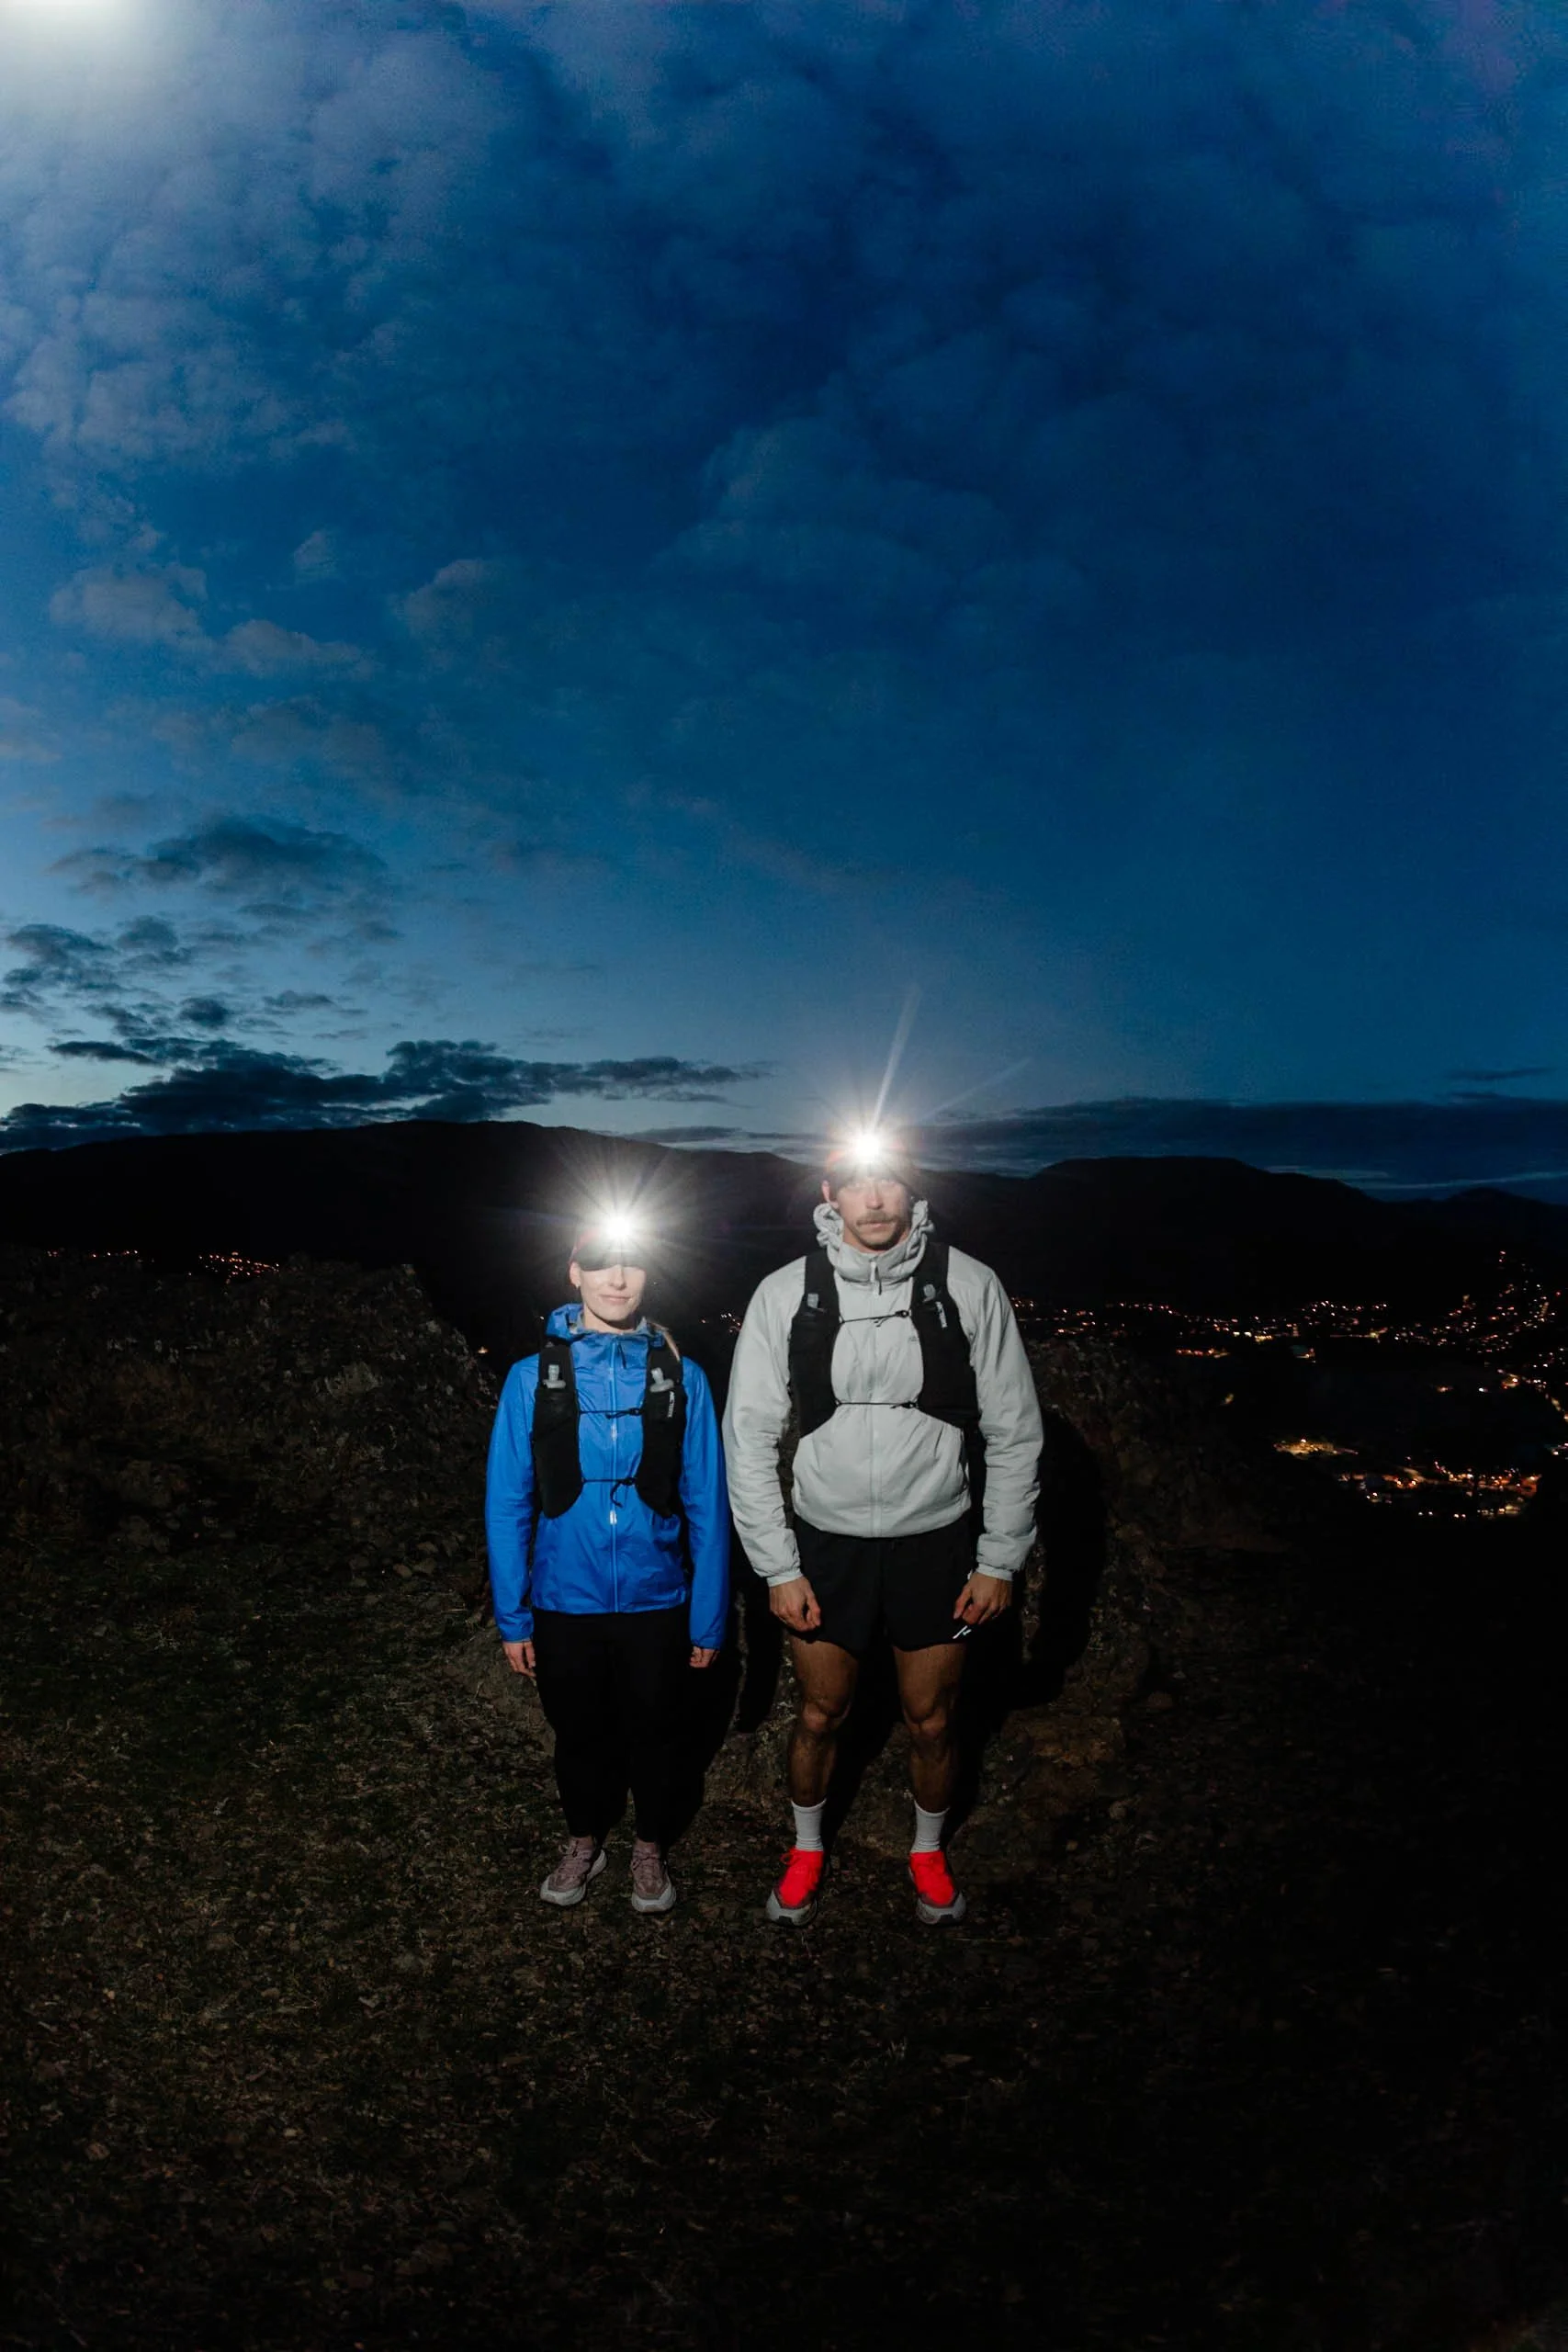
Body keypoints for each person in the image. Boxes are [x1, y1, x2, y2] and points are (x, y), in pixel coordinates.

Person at [723, 1133, 1043, 1926]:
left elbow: (1014, 1428)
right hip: (824, 1539)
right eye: (856, 1183)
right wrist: (777, 1567)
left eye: (888, 1182)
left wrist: (999, 1558)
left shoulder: (967, 1284)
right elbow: (748, 1436)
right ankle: (805, 1850)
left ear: (911, 1191)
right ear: (829, 1192)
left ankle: (928, 1853)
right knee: (819, 1714)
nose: (872, 1200)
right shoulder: (785, 1292)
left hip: (933, 1536)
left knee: (931, 1718)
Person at [486, 1215, 728, 1915]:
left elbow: (708, 1504)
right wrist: (513, 1616)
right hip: (565, 1597)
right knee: (579, 1734)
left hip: (657, 1599)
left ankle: (648, 1847)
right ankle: (584, 1839)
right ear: (574, 1271)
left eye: (631, 1263)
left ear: (649, 1272)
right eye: (599, 1263)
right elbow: (509, 1503)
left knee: (657, 1732)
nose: (616, 1278)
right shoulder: (531, 1378)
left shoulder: (683, 1377)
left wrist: (708, 1620)